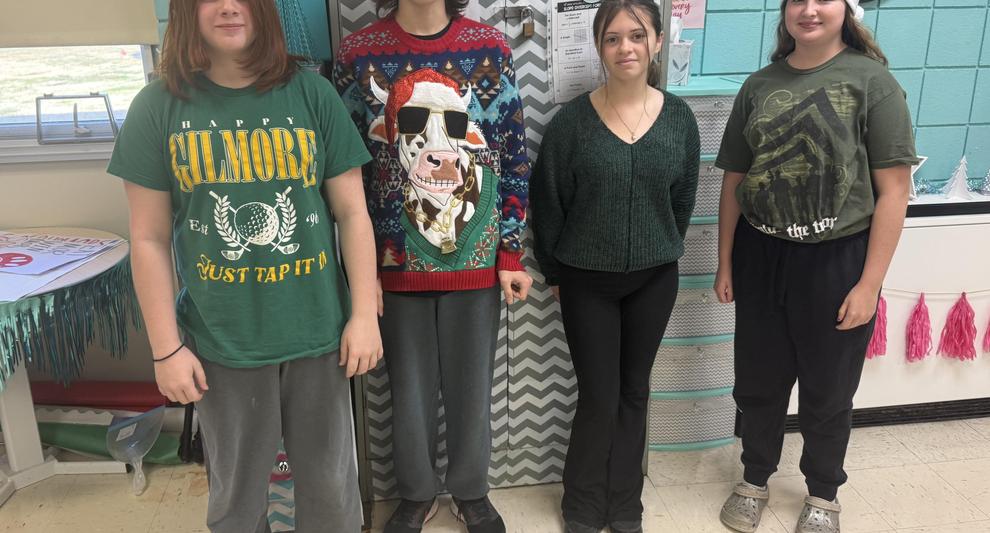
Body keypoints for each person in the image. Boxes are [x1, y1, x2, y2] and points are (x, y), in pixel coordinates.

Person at [107, 1, 381, 531]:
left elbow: (352, 214)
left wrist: (364, 314)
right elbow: (148, 238)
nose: (230, 6)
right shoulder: (157, 106)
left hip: (318, 337)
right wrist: (166, 349)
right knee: (236, 499)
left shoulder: (312, 94)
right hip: (221, 344)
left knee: (331, 494)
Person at [712, 1, 917, 532]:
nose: (808, 10)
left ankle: (824, 492)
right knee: (758, 380)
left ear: (846, 9)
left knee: (828, 388)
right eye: (796, 0)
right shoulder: (759, 86)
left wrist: (870, 284)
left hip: (838, 260)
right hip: (761, 254)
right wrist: (725, 261)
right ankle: (754, 477)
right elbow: (734, 180)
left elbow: (895, 191)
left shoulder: (873, 84)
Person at [334, 1, 532, 532]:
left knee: (473, 388)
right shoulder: (357, 54)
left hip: (476, 261)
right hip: (394, 265)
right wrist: (363, 275)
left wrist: (509, 250)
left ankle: (471, 491)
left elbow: (512, 155)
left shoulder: (490, 48)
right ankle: (416, 494)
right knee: (407, 391)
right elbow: (346, 172)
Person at [530, 1, 700, 531]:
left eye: (637, 35)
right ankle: (582, 503)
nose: (625, 47)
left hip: (655, 279)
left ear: (656, 42)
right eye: (612, 38)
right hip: (586, 283)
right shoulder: (571, 124)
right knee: (599, 398)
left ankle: (626, 504)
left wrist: (661, 244)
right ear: (600, 48)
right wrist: (554, 272)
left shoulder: (679, 119)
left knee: (635, 392)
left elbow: (682, 199)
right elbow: (548, 203)